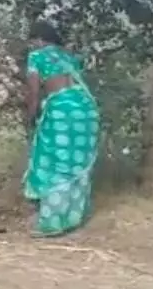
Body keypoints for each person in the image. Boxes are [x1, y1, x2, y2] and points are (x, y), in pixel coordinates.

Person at [23, 21, 99, 237]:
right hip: (87, 109)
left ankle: (52, 221)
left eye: (32, 42)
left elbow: (34, 94)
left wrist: (31, 117)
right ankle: (74, 217)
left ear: (37, 39)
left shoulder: (36, 57)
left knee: (56, 163)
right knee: (75, 163)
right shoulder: (69, 56)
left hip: (62, 110)